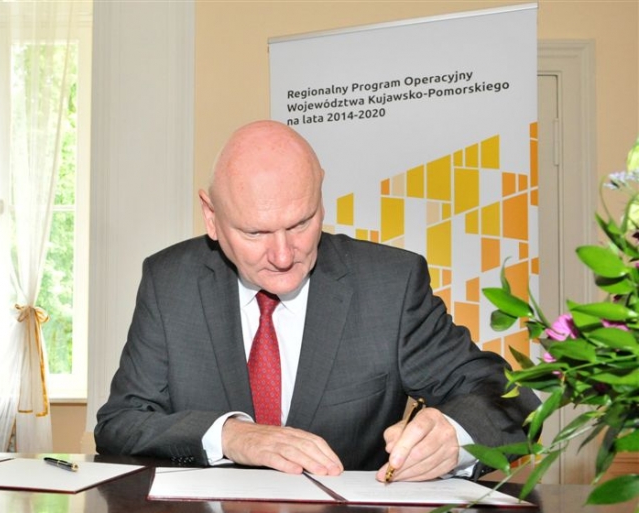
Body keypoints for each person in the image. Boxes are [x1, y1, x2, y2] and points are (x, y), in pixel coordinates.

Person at [94, 120, 540, 481]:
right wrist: (230, 436)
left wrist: (454, 437)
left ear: (321, 194)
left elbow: (511, 401)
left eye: (301, 223)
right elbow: (121, 423)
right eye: (255, 232)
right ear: (211, 216)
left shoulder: (390, 285)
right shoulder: (169, 282)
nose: (283, 255)